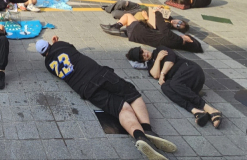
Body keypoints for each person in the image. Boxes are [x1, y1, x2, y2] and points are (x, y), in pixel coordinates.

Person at [36, 37, 177, 160]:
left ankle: (139, 136)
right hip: (98, 74)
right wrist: (57, 42)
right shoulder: (61, 44)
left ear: (42, 54)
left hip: (86, 89)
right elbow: (68, 49)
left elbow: (56, 57)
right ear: (49, 43)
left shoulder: (48, 65)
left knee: (121, 108)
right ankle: (147, 129)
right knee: (132, 95)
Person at [126, 46, 222, 129]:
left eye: (142, 51)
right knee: (165, 87)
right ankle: (196, 111)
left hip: (191, 70)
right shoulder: (152, 65)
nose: (144, 54)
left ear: (143, 48)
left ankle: (210, 109)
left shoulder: (160, 49)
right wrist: (158, 59)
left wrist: (162, 74)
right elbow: (155, 75)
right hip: (186, 85)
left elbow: (170, 61)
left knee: (173, 83)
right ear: (142, 61)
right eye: (141, 57)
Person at [100, 8, 203, 53]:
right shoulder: (175, 43)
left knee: (127, 15)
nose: (178, 24)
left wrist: (158, 13)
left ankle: (115, 27)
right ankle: (114, 27)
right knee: (127, 18)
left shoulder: (177, 40)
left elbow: (164, 30)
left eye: (179, 26)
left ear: (189, 40)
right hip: (137, 36)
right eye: (180, 22)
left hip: (140, 32)